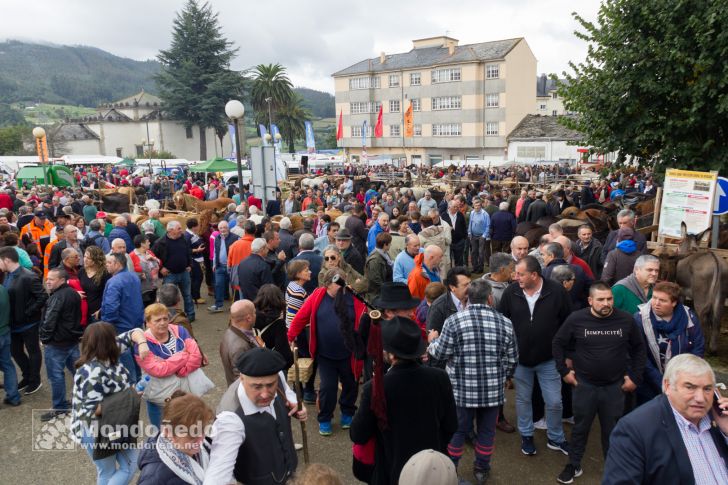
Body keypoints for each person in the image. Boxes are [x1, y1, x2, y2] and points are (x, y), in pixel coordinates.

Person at [552, 282, 646, 484]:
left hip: (615, 387)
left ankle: (615, 468)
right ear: (590, 301)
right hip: (584, 385)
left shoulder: (625, 320)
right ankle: (573, 464)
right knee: (580, 428)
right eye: (601, 299)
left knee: (612, 431)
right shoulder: (577, 319)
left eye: (609, 299)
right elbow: (558, 343)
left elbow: (639, 349)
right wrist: (564, 371)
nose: (606, 303)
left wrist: (635, 378)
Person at [428, 280, 519, 484]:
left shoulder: (453, 321)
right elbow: (513, 359)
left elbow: (441, 354)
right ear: (489, 298)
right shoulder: (505, 322)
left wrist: (432, 340)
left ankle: (450, 470)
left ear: (467, 298)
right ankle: (481, 468)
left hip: (461, 392)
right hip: (492, 392)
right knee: (487, 432)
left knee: (457, 431)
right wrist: (504, 376)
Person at [350, 316, 458, 485]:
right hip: (431, 470)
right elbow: (451, 425)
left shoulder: (376, 387)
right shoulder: (439, 377)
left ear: (391, 355)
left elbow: (358, 434)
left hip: (391, 471)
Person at [602, 354, 728, 485]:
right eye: (690, 387)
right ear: (668, 386)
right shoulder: (634, 429)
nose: (701, 398)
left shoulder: (718, 421)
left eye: (707, 389)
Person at [498, 256, 572, 456]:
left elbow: (568, 324)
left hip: (549, 359)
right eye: (516, 273)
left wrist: (567, 354)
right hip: (520, 360)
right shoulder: (511, 292)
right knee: (523, 399)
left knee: (555, 401)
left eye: (521, 274)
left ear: (534, 275)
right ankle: (527, 435)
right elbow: (501, 322)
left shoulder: (556, 292)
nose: (516, 277)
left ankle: (556, 438)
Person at [204, 347, 305, 485]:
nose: (265, 394)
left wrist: (296, 404)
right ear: (241, 378)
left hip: (288, 471)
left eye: (270, 385)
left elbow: (286, 391)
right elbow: (217, 475)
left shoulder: (278, 375)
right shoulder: (229, 419)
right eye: (256, 387)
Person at [288, 268, 366, 436]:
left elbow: (364, 318)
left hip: (349, 353)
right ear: (327, 285)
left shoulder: (352, 297)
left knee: (351, 385)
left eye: (343, 282)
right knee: (327, 388)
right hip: (325, 354)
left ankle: (347, 413)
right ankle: (324, 418)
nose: (342, 286)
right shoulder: (317, 296)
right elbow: (301, 317)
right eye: (338, 283)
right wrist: (291, 335)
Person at [70, 322, 146, 484]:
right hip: (97, 431)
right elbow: (92, 409)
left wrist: (143, 344)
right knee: (124, 467)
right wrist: (130, 396)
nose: (116, 339)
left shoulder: (105, 353)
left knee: (110, 471)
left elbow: (135, 332)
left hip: (112, 426)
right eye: (113, 337)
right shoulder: (91, 372)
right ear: (107, 343)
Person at [634, 281, 705, 405]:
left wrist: (682, 378)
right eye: (654, 297)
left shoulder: (689, 318)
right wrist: (661, 381)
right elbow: (640, 355)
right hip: (648, 383)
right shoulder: (640, 319)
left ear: (674, 303)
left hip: (680, 382)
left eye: (662, 300)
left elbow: (697, 348)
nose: (656, 303)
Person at [134, 303, 204, 429]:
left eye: (165, 318)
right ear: (148, 323)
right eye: (157, 320)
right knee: (162, 431)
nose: (163, 323)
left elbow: (197, 355)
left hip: (185, 393)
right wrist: (183, 356)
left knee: (188, 428)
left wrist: (183, 369)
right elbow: (159, 370)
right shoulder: (142, 344)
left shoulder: (179, 330)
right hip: (160, 397)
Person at [137, 391, 214, 484]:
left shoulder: (205, 447)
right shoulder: (153, 478)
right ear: (168, 432)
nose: (201, 439)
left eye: (203, 430)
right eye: (192, 437)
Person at [0, 246, 47, 395]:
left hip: (28, 323)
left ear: (6, 260)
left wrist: (28, 312)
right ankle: (27, 376)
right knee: (16, 352)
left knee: (33, 351)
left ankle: (35, 380)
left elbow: (42, 297)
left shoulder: (29, 276)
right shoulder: (7, 275)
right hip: (13, 324)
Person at [40, 267, 83, 421]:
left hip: (57, 344)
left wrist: (44, 339)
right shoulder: (73, 293)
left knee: (56, 376)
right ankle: (82, 400)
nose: (48, 281)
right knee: (79, 373)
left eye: (52, 279)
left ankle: (59, 407)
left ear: (62, 280)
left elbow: (49, 321)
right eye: (47, 278)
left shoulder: (57, 297)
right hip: (72, 341)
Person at [100, 252, 144, 382]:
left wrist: (106, 325)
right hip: (135, 322)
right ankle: (139, 379)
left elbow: (111, 307)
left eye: (109, 263)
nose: (106, 265)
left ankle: (132, 384)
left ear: (118, 264)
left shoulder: (113, 282)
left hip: (120, 326)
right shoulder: (133, 276)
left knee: (125, 357)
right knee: (135, 355)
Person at [153, 221, 195, 322]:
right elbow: (153, 257)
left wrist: (189, 264)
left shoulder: (184, 239)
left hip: (184, 273)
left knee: (188, 295)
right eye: (179, 228)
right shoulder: (160, 242)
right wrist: (161, 268)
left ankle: (190, 316)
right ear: (170, 230)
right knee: (169, 298)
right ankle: (171, 318)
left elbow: (188, 252)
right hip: (170, 275)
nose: (182, 230)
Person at [254, 284, 293, 369]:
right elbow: (284, 354)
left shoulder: (251, 317)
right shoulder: (279, 323)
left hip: (254, 363)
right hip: (272, 367)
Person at [219, 299, 258, 385]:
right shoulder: (239, 347)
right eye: (254, 313)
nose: (256, 315)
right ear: (249, 318)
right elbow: (240, 379)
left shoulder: (230, 332)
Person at [209, 220, 238, 312]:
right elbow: (215, 252)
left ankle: (235, 305)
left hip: (231, 267)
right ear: (218, 229)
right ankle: (218, 305)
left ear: (228, 228)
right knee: (218, 285)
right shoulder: (217, 238)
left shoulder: (235, 237)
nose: (223, 229)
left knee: (234, 287)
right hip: (219, 266)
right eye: (221, 228)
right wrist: (214, 264)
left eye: (224, 227)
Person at [0, 282, 21, 406]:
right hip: (5, 332)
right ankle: (14, 397)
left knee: (7, 365)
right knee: (8, 365)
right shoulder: (3, 288)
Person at [364, 232, 394, 302]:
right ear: (385, 245)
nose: (391, 245)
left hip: (384, 293)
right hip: (377, 296)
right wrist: (387, 289)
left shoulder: (384, 254)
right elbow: (375, 279)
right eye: (390, 243)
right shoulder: (375, 260)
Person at [184, 218, 206, 304]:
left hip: (198, 259)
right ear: (194, 227)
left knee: (198, 278)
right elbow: (186, 250)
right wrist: (197, 250)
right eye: (197, 225)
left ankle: (195, 296)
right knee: (197, 278)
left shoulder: (192, 234)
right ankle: (195, 297)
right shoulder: (187, 236)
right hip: (193, 260)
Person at [468, 197, 491, 274]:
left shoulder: (485, 214)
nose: (477, 207)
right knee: (474, 252)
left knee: (481, 252)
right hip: (473, 235)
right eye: (475, 205)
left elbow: (488, 226)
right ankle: (475, 267)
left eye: (479, 205)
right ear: (473, 205)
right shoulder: (472, 213)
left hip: (482, 236)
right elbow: (470, 223)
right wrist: (469, 232)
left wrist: (484, 235)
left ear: (481, 205)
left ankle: (481, 268)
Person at [285, 260, 311, 327]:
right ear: (298, 274)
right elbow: (292, 316)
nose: (310, 272)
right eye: (306, 270)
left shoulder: (292, 284)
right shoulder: (298, 291)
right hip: (298, 331)